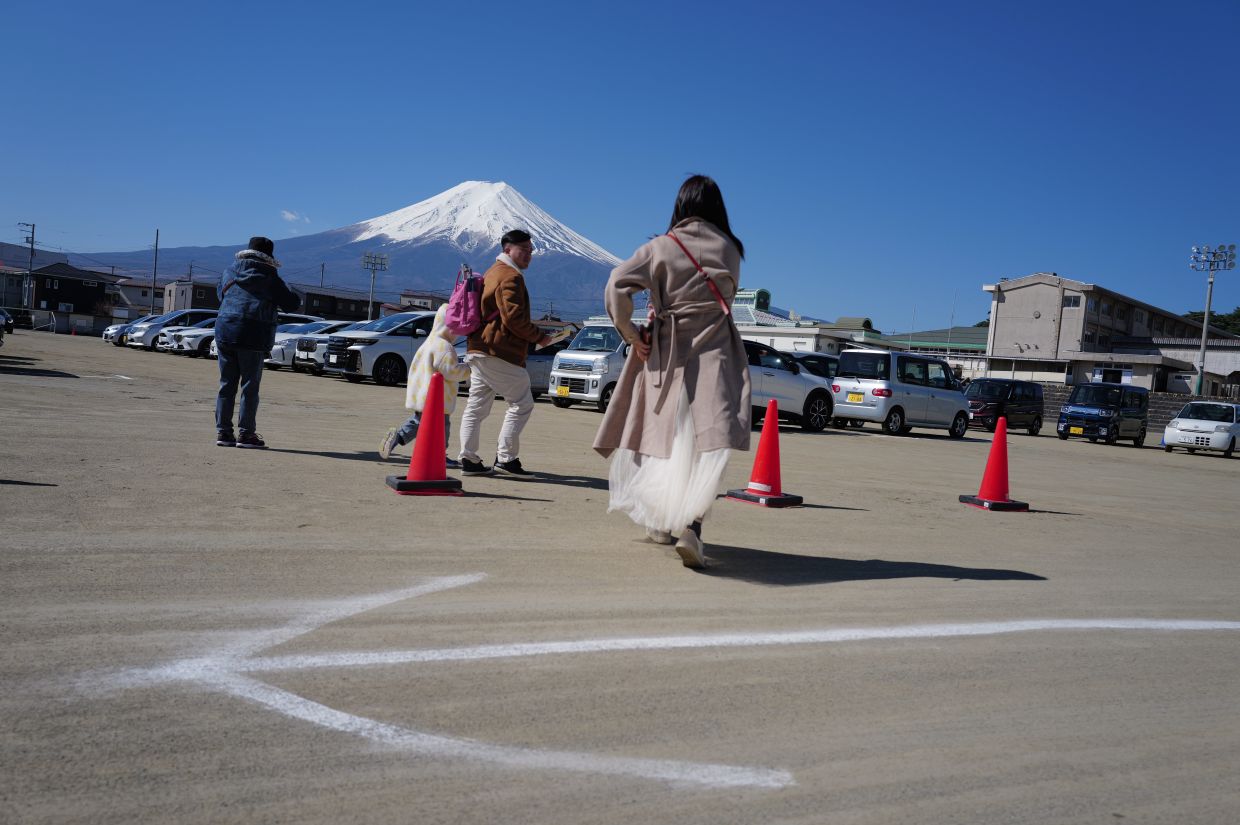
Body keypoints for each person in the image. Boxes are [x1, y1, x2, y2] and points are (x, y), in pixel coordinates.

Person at [593, 176, 751, 568]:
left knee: (662, 437)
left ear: (680, 205)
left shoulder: (661, 247)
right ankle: (693, 528)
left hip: (668, 355)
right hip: (715, 354)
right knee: (705, 445)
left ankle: (660, 522)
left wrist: (631, 332)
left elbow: (617, 284)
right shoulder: (732, 250)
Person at [457, 229, 552, 477]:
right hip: (499, 351)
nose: (529, 255)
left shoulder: (491, 271)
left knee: (476, 407)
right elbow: (514, 319)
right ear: (508, 249)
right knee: (522, 403)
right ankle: (506, 458)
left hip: (478, 348)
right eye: (524, 250)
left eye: (531, 251)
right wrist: (540, 336)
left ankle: (468, 459)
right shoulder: (511, 277)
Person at [214, 236, 301, 448]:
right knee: (249, 387)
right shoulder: (269, 277)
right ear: (268, 257)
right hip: (253, 334)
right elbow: (291, 304)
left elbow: (220, 296)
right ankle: (246, 434)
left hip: (225, 330)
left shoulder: (229, 272)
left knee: (226, 384)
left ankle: (224, 433)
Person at [379, 304, 472, 465]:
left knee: (418, 422)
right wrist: (469, 368)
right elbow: (452, 371)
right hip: (437, 399)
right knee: (442, 427)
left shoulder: (430, 342)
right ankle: (439, 455)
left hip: (422, 394)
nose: (457, 334)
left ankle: (397, 437)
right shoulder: (445, 347)